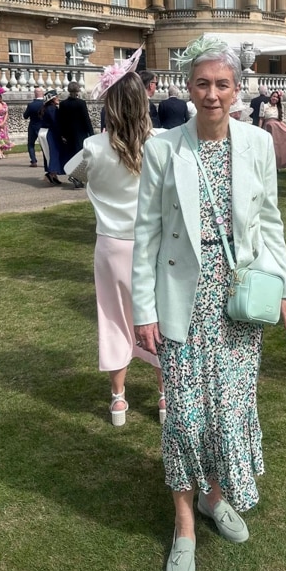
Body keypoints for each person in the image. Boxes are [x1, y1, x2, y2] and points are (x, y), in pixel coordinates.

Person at [131, 35, 286, 571]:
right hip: (180, 294)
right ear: (187, 86)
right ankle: (185, 526)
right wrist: (143, 308)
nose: (211, 94)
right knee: (182, 415)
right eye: (202, 83)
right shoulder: (162, 148)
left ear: (236, 89)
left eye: (222, 84)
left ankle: (215, 498)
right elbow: (146, 235)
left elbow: (269, 223)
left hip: (238, 298)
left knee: (229, 405)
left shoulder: (255, 143)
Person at [76, 48, 165, 427]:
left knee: (113, 318)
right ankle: (165, 396)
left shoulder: (94, 148)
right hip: (153, 244)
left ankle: (118, 399)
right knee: (160, 318)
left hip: (112, 244)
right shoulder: (160, 142)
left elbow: (74, 174)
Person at [58, 81, 94, 181]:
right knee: (80, 155)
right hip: (80, 132)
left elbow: (61, 120)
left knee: (71, 155)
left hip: (68, 133)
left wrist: (62, 134)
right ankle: (78, 176)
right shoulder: (81, 103)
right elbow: (86, 119)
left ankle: (73, 175)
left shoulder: (63, 104)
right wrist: (91, 133)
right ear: (78, 90)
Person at [259, 90, 286, 169]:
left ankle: (278, 164)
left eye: (277, 97)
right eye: (274, 96)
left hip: (278, 128)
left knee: (277, 147)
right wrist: (259, 129)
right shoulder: (264, 106)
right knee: (269, 147)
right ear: (271, 97)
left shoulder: (279, 108)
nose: (275, 98)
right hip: (268, 128)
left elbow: (280, 121)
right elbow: (261, 118)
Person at [38, 89, 65, 185]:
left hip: (44, 132)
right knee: (53, 153)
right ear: (52, 99)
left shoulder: (46, 108)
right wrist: (62, 134)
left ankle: (53, 174)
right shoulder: (52, 109)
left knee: (48, 153)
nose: (58, 98)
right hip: (50, 133)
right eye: (56, 97)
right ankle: (51, 173)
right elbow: (55, 123)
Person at [23, 86, 44, 167]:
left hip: (33, 126)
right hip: (43, 127)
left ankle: (33, 161)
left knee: (31, 144)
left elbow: (25, 116)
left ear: (35, 94)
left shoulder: (31, 105)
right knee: (44, 145)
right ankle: (47, 160)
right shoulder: (45, 104)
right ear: (42, 93)